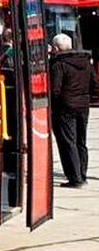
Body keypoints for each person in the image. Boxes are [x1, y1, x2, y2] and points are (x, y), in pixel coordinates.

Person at [49, 33, 98, 188]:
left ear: (56, 48)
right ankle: (82, 174)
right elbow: (95, 85)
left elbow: (55, 90)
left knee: (68, 141)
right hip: (83, 106)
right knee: (81, 141)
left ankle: (75, 177)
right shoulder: (86, 61)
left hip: (65, 107)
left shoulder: (59, 64)